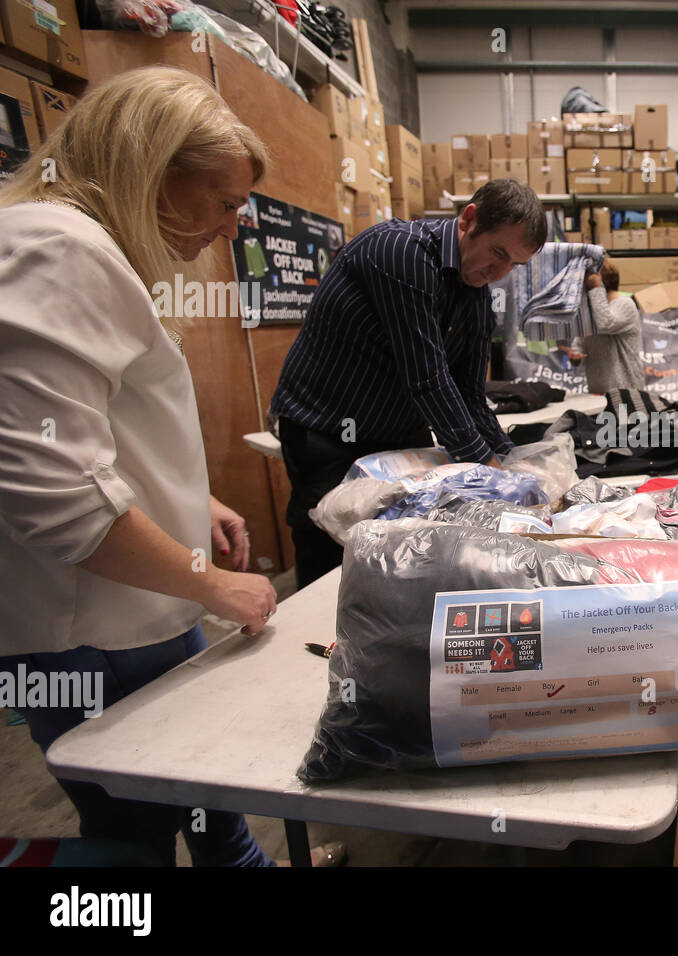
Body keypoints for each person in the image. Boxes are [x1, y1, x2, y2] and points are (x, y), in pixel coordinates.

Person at [0, 66, 339, 866]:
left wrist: (197, 500)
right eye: (223, 203)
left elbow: (99, 435)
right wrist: (213, 583)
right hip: (90, 635)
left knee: (208, 805)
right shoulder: (57, 249)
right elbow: (54, 496)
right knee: (134, 835)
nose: (230, 230)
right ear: (152, 172)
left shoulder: (87, 248)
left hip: (134, 613)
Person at [270, 179, 546, 588]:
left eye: (514, 266)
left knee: (396, 552)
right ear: (469, 220)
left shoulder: (475, 293)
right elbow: (428, 377)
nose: (500, 273)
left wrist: (514, 467)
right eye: (498, 253)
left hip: (397, 432)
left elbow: (470, 395)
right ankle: (316, 643)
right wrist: (489, 470)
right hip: (326, 428)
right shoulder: (400, 252)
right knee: (330, 545)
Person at [569, 260, 644, 394]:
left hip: (626, 391)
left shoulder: (625, 304)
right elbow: (579, 342)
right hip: (597, 391)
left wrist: (595, 287)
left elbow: (604, 323)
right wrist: (575, 354)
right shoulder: (591, 309)